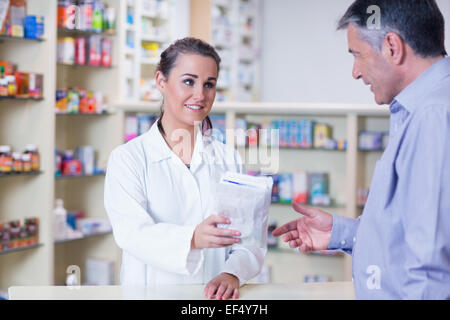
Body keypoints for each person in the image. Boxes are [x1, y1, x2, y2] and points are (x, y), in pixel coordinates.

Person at [273, 0, 450, 299]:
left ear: (392, 47)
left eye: (358, 55)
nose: (355, 72)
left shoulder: (434, 115)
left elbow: (431, 268)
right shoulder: (419, 109)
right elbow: (411, 230)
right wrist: (344, 233)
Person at [104, 37, 265, 300]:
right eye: (188, 81)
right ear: (161, 81)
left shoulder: (228, 158)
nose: (200, 95)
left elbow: (249, 240)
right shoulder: (128, 159)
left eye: (209, 84)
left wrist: (232, 274)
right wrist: (192, 237)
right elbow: (131, 233)